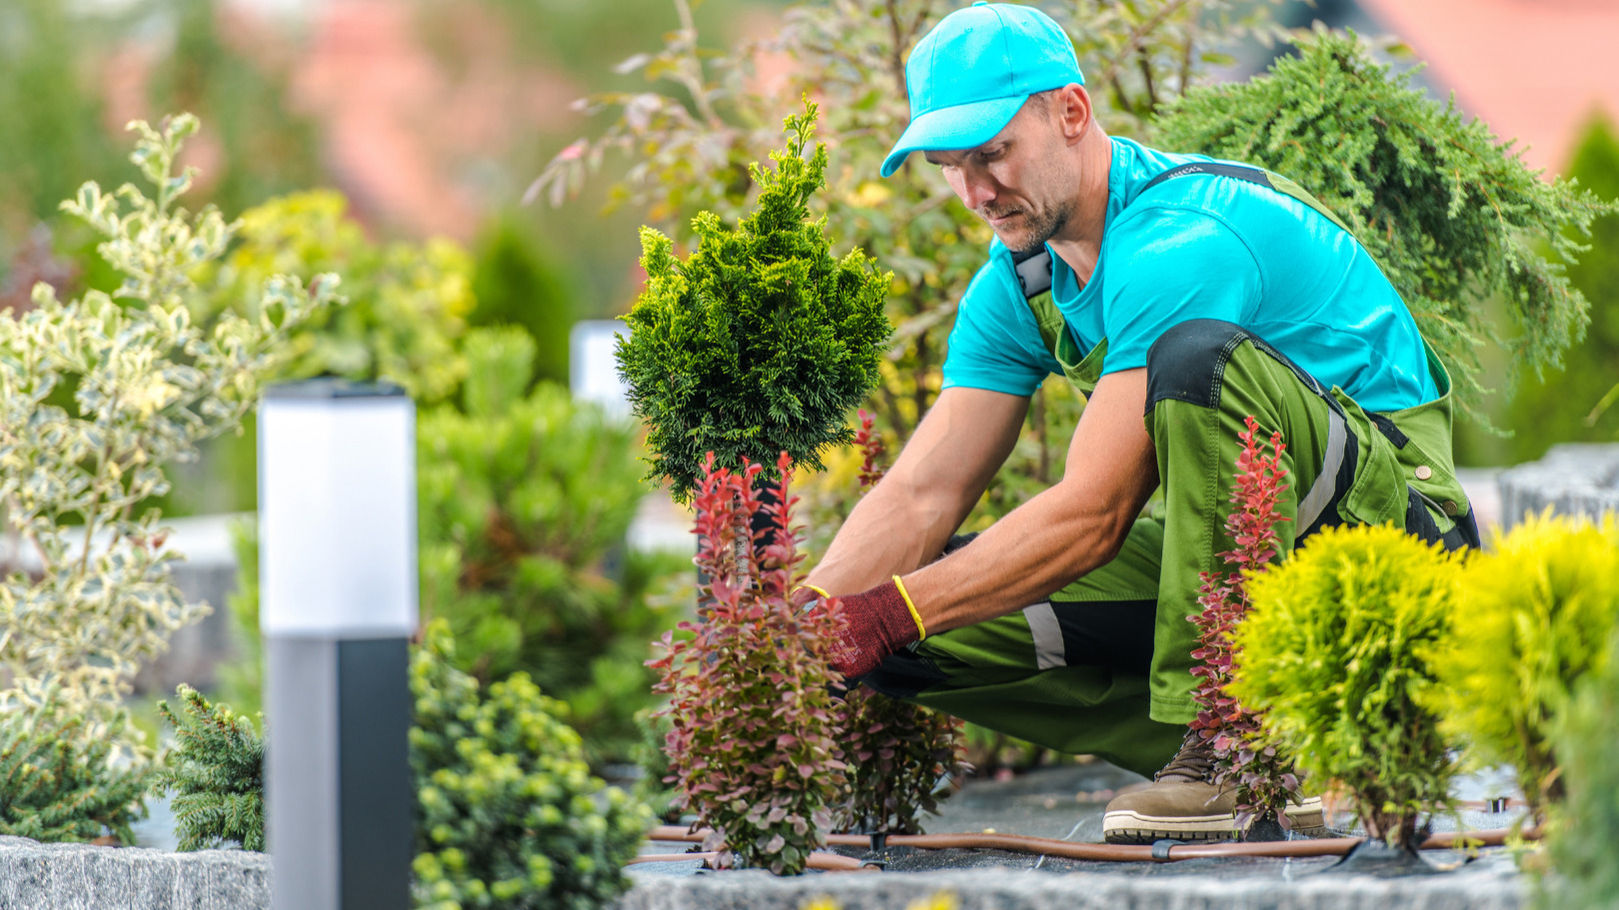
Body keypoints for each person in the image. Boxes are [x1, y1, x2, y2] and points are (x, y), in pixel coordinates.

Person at [795, 0, 1480, 845]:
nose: (975, 191)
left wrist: (891, 611)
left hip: (1399, 549)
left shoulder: (1182, 238)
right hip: (1248, 561)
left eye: (994, 153)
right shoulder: (1019, 285)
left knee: (1195, 359)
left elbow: (1094, 514)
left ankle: (1231, 751)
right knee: (898, 635)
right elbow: (920, 494)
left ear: (1071, 113)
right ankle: (1289, 757)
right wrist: (797, 638)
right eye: (949, 165)